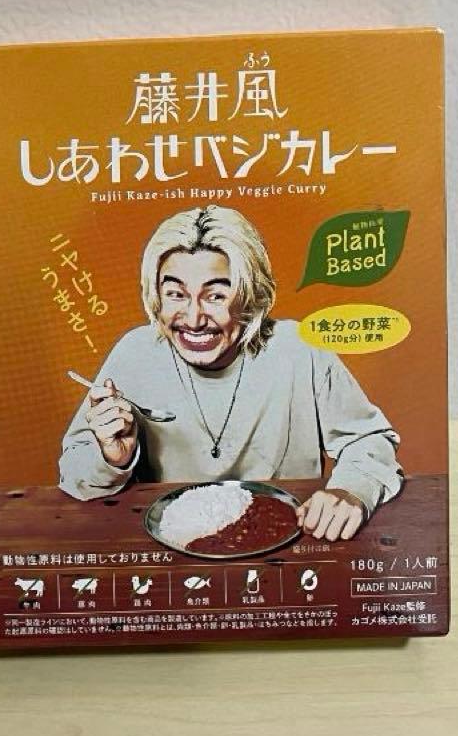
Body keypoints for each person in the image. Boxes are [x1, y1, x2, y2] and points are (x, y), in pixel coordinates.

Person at [59, 205, 403, 541]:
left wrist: (351, 489)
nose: (193, 319)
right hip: (175, 545)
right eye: (176, 294)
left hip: (289, 538)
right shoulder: (136, 353)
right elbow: (74, 475)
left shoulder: (301, 350)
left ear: (250, 295)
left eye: (216, 296)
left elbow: (368, 438)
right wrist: (111, 458)